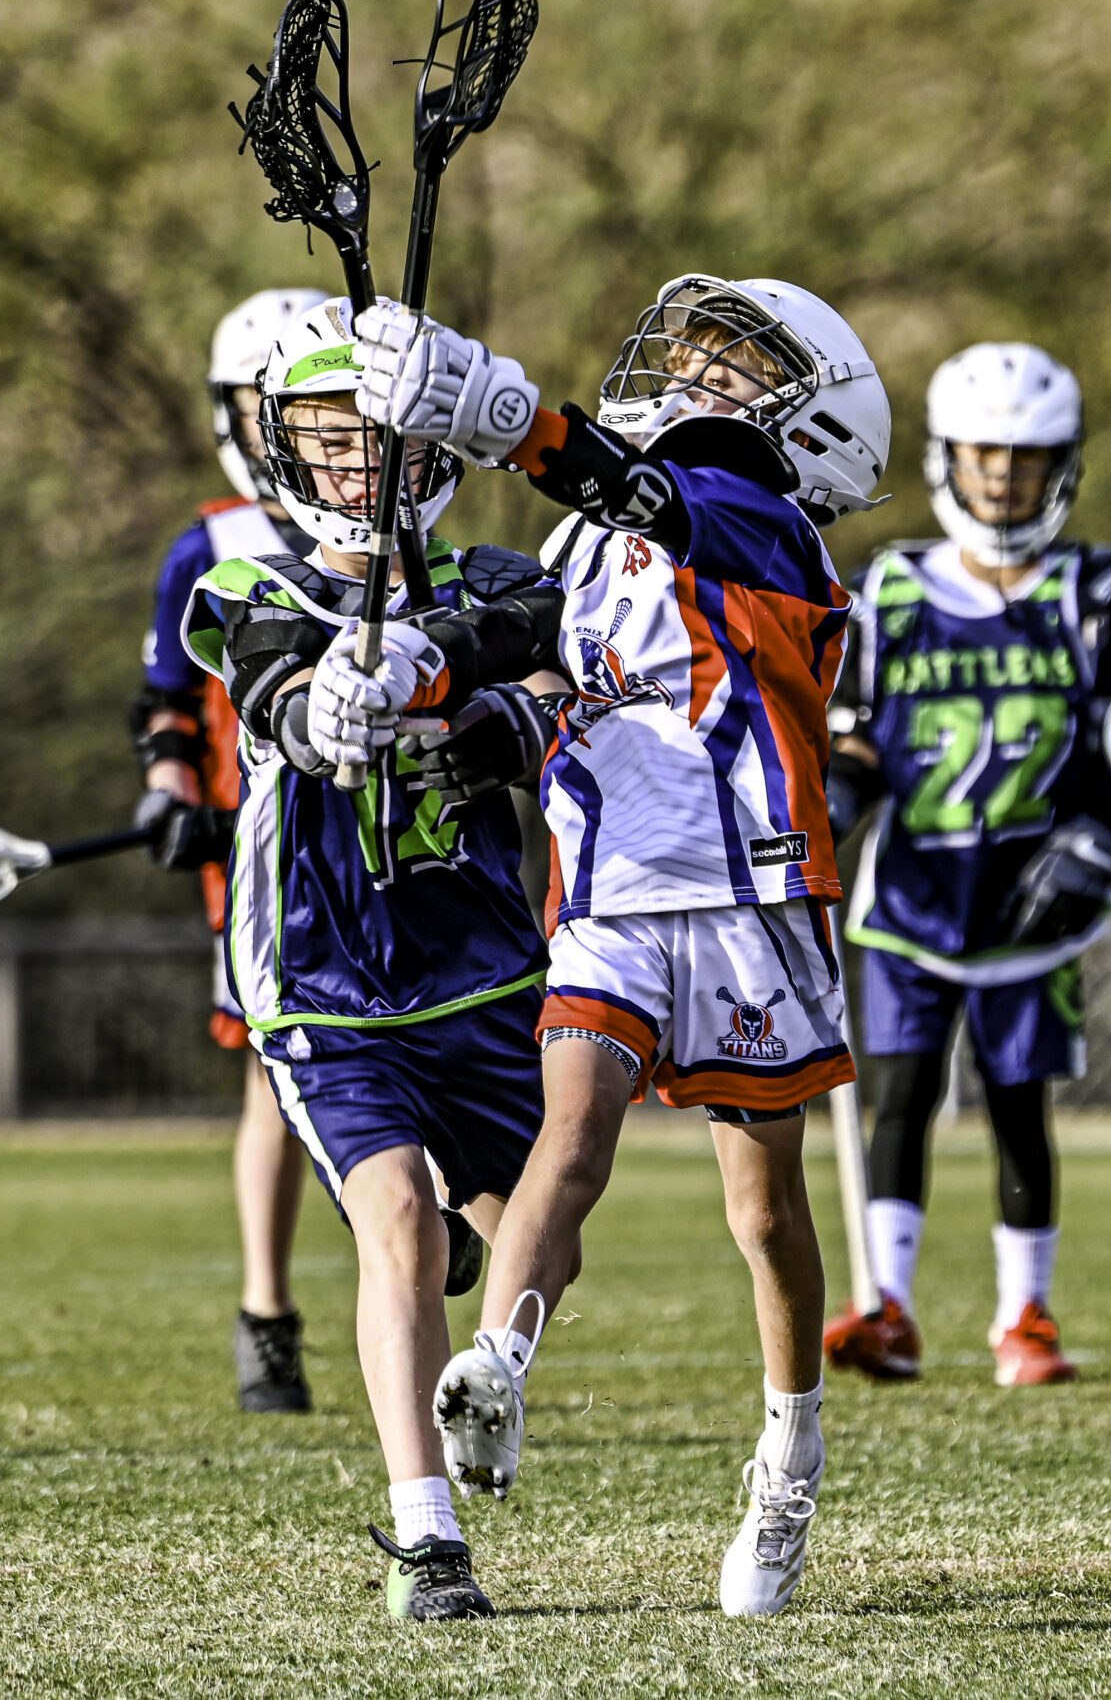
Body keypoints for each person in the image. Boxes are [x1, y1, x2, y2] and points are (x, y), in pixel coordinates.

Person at [326, 273, 886, 1617]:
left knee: (763, 1213)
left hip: (748, 896)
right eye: (699, 357)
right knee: (566, 1141)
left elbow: (646, 495)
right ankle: (498, 1368)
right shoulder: (587, 543)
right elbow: (527, 650)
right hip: (612, 894)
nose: (698, 377)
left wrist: (511, 419)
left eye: (736, 369)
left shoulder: (760, 518)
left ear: (813, 423)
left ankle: (790, 1455)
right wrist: (410, 677)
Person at [180, 296, 556, 1621]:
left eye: (375, 439)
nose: (352, 466)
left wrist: (456, 692)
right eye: (324, 440)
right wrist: (321, 705)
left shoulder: (499, 581)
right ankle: (428, 1538)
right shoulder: (251, 586)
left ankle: (491, 1362)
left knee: (536, 1235)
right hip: (323, 981)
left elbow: (540, 655)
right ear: (284, 449)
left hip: (486, 971)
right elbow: (270, 680)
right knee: (392, 1216)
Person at [818, 343, 1111, 1388]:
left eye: (1025, 459)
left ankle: (1025, 1315)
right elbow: (856, 735)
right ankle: (888, 1306)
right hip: (914, 897)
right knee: (901, 1095)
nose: (1004, 478)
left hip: (1032, 902)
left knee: (1020, 1105)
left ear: (1061, 465)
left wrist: (1100, 836)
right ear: (948, 461)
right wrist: (836, 797)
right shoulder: (891, 592)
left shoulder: (1091, 594)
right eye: (985, 457)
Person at [127, 286, 327, 1415]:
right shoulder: (209, 547)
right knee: (275, 1074)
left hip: (393, 848)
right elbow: (165, 703)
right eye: (264, 403)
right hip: (254, 860)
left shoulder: (400, 539)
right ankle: (267, 1316)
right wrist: (170, 793)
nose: (284, 426)